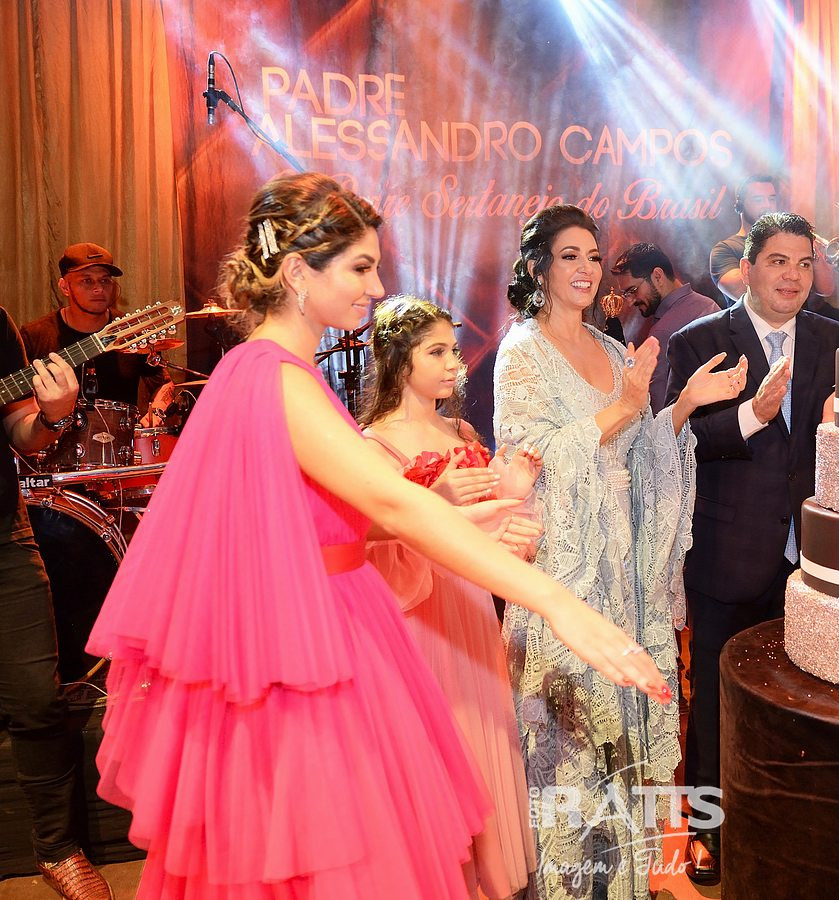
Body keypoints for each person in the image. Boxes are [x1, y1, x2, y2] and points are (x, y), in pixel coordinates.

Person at [84, 174, 669, 898]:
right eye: (360, 267)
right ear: (297, 272)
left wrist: (471, 520)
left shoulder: (265, 371)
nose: (378, 285)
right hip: (316, 652)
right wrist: (557, 602)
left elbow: (345, 519)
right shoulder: (275, 377)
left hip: (328, 629)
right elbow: (393, 505)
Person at [494, 203, 745, 899]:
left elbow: (637, 455)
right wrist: (625, 406)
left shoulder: (611, 352)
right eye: (569, 255)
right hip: (564, 574)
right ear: (538, 267)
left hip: (624, 572)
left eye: (593, 256)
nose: (586, 269)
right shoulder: (521, 351)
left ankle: (624, 883)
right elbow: (529, 458)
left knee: (621, 745)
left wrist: (682, 406)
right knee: (570, 749)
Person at [666, 211, 839, 884]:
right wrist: (754, 415)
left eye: (804, 263)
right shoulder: (698, 341)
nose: (793, 276)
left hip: (811, 555)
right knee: (716, 698)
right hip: (727, 550)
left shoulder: (837, 338)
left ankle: (781, 817)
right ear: (746, 268)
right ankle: (706, 830)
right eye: (778, 261)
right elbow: (677, 440)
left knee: (800, 695)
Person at [360, 295, 543, 898]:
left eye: (454, 351)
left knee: (479, 736)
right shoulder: (373, 444)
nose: (453, 365)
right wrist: (433, 501)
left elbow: (485, 528)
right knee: (431, 745)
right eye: (435, 352)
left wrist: (514, 490)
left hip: (468, 609)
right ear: (398, 359)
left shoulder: (461, 432)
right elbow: (366, 542)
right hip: (418, 617)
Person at [0, 315, 112, 900]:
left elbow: (22, 433)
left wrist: (51, 414)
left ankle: (57, 848)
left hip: (2, 533)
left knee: (37, 699)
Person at [21, 243, 169, 416]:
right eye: (87, 281)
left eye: (105, 280)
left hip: (121, 432)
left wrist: (156, 413)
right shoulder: (34, 335)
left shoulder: (132, 331)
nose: (99, 289)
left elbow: (163, 383)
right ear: (65, 287)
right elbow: (18, 404)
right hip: (54, 432)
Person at [611, 242, 719, 411]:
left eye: (632, 290)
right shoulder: (708, 304)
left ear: (658, 276)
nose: (630, 301)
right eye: (626, 294)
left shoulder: (663, 332)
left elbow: (659, 409)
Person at [709, 176, 838, 307]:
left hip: (803, 318)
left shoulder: (789, 241)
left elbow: (826, 289)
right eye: (758, 200)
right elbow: (742, 291)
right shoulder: (725, 249)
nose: (767, 205)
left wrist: (811, 247)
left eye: (771, 199)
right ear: (740, 205)